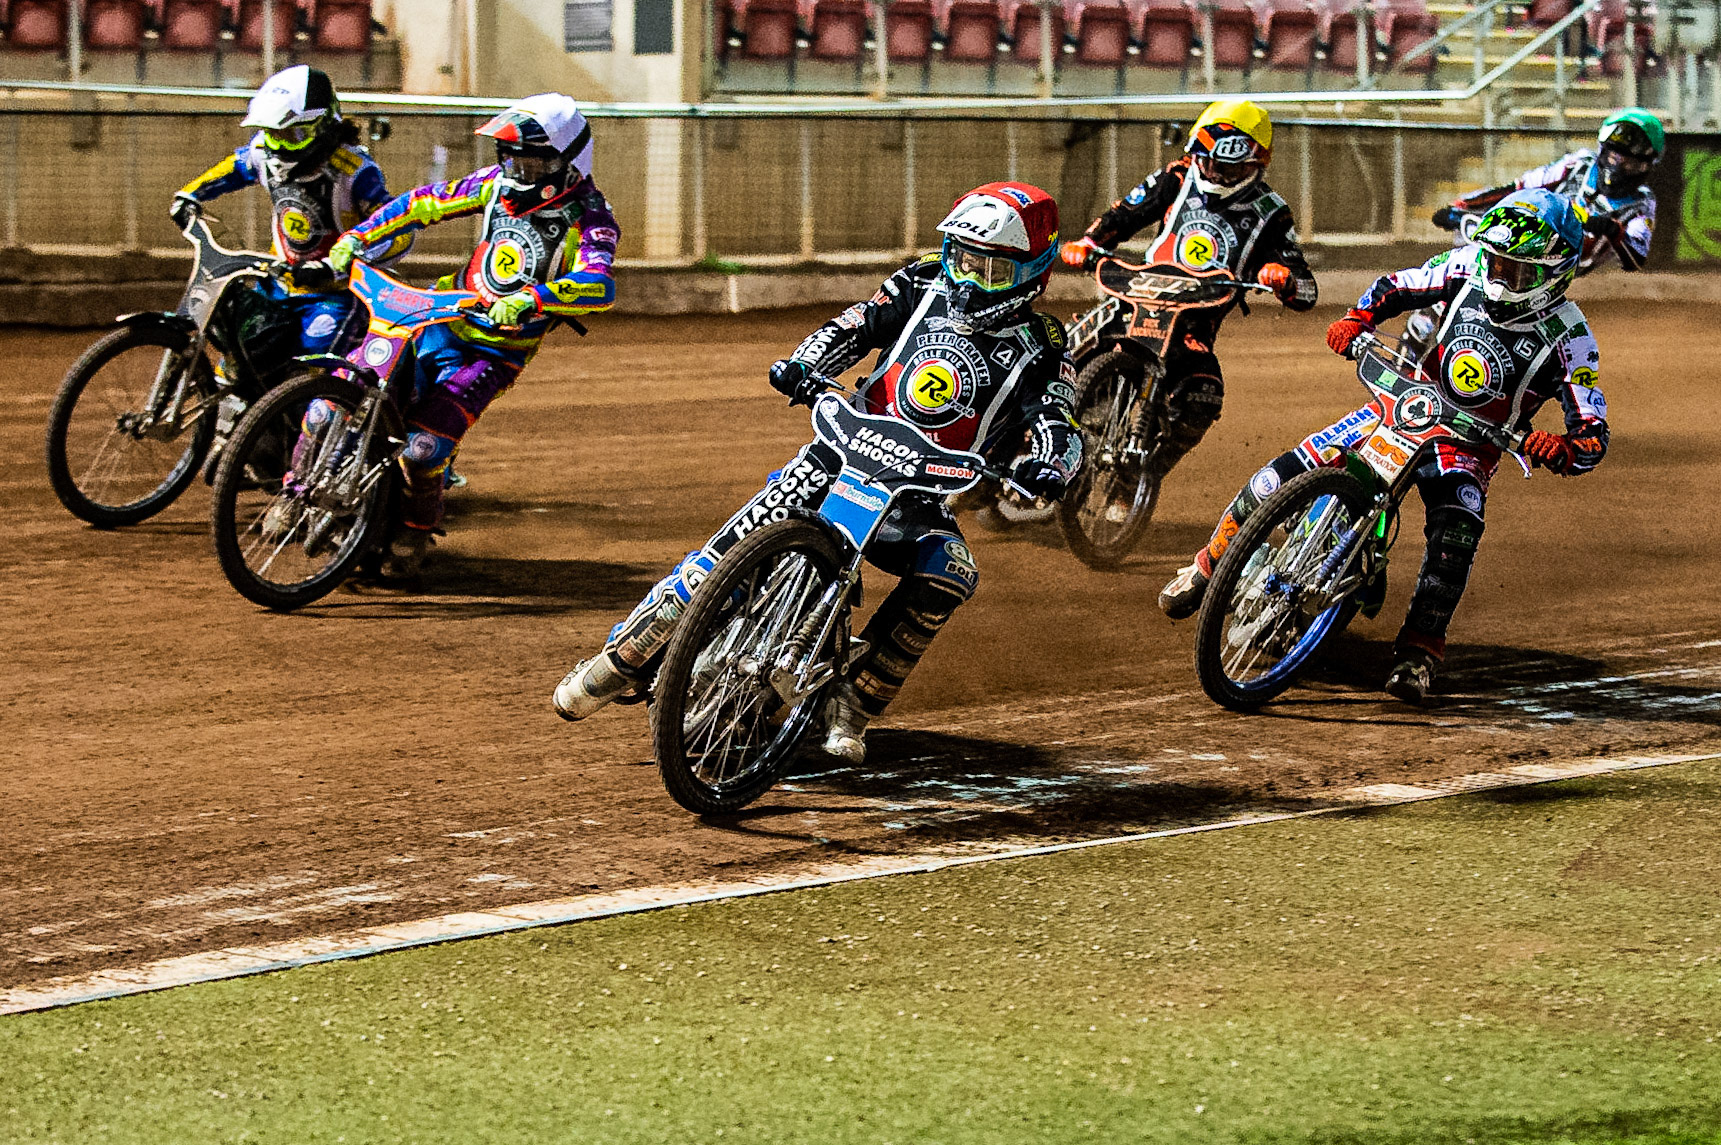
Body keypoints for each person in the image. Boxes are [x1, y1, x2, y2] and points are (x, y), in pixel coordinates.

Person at [553, 182, 1082, 764]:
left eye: (991, 271)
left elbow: (1060, 419)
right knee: (724, 550)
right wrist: (805, 363)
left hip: (917, 494)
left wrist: (1049, 465)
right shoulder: (918, 284)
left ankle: (856, 701)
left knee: (950, 573)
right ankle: (627, 654)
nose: (968, 278)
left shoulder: (1045, 347)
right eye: (961, 258)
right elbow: (851, 328)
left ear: (1035, 272)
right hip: (837, 455)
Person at [1158, 190, 1608, 705]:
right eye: (1498, 260)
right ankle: (1206, 566)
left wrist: (1565, 448)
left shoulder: (1572, 338)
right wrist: (1358, 319)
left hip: (1469, 444)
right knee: (1279, 475)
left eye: (1517, 269)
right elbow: (1398, 285)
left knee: (1457, 531)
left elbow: (1593, 430)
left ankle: (1419, 651)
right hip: (1402, 404)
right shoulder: (1469, 265)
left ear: (1555, 273)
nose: (1500, 274)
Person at [319, 93, 619, 577]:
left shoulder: (590, 215)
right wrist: (359, 236)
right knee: (334, 395)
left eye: (530, 157)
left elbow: (598, 282)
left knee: (425, 446)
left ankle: (416, 531)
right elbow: (423, 204)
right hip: (435, 318)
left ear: (567, 161)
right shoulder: (493, 186)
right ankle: (295, 486)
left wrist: (533, 299)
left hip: (496, 353)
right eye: (510, 154)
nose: (516, 167)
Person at [1057, 98, 1318, 481]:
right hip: (1135, 300)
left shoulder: (1271, 212)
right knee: (1059, 354)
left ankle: (1142, 480)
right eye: (1207, 160)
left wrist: (1282, 276)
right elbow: (1123, 216)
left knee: (1203, 395)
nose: (1214, 172)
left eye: (1227, 166)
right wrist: (1089, 243)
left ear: (1255, 163)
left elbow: (1306, 288)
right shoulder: (1176, 177)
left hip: (1194, 325)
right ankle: (1012, 439)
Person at [171, 65, 410, 363]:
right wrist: (189, 195)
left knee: (311, 368)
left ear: (321, 127)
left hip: (337, 294)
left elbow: (399, 232)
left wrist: (335, 266)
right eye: (273, 134)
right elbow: (234, 168)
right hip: (278, 282)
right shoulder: (264, 153)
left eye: (291, 135)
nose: (279, 145)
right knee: (239, 361)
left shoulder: (356, 172)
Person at [1404, 109, 1664, 358]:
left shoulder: (1641, 202)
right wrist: (1462, 205)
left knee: (1514, 309)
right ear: (1603, 149)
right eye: (1616, 156)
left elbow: (1636, 257)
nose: (1620, 166)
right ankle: (1422, 329)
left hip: (1561, 265)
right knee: (1475, 267)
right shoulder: (1579, 164)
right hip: (1526, 235)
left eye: (1631, 162)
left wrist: (1612, 228)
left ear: (1647, 165)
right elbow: (1520, 186)